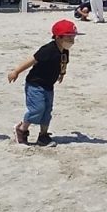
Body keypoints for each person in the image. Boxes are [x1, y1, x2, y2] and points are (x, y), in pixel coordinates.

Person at [8, 19, 83, 147]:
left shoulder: (64, 51)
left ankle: (43, 136)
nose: (72, 41)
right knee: (37, 109)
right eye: (69, 37)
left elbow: (63, 63)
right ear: (58, 37)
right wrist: (16, 71)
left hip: (49, 85)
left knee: (47, 111)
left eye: (73, 37)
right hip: (35, 84)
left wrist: (62, 74)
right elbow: (32, 60)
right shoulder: (47, 49)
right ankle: (21, 129)